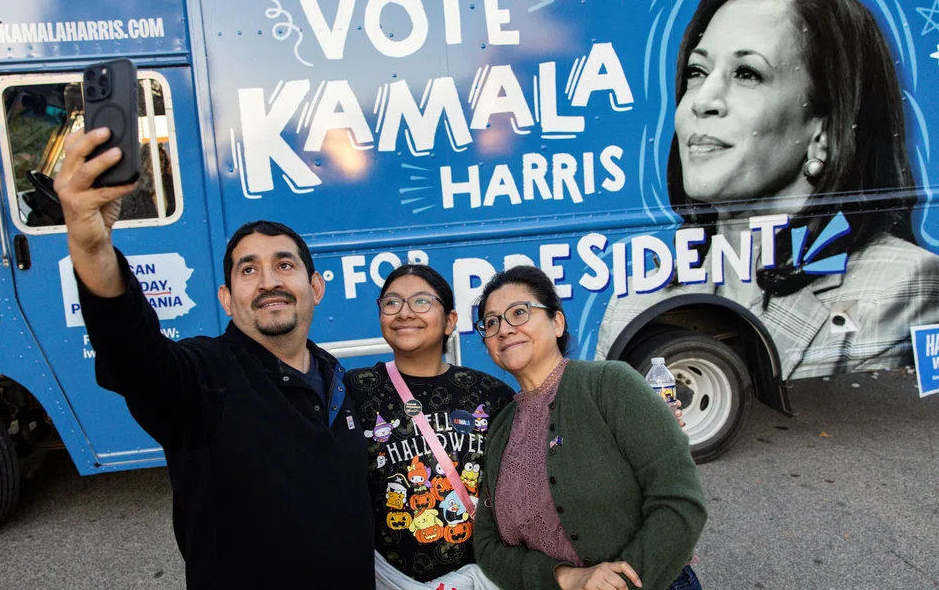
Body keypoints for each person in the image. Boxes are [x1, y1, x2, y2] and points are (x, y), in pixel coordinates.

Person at [53, 127, 374, 589]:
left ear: (316, 287)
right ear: (227, 299)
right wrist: (91, 245)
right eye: (249, 270)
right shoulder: (204, 378)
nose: (268, 282)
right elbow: (133, 353)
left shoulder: (336, 378)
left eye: (284, 265)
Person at [596, 0, 939, 380]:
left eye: (747, 74)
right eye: (697, 72)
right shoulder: (636, 300)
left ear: (824, 130)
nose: (702, 101)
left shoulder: (899, 284)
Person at [473, 265, 706, 590]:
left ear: (557, 322)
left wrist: (621, 583)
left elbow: (680, 498)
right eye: (491, 322)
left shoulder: (610, 384)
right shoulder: (501, 429)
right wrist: (563, 577)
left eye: (519, 312)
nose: (504, 329)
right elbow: (486, 544)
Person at [344, 264, 514, 589]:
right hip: (388, 580)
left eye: (421, 301)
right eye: (392, 303)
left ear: (450, 320)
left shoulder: (490, 395)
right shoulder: (354, 391)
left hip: (478, 576)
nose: (405, 313)